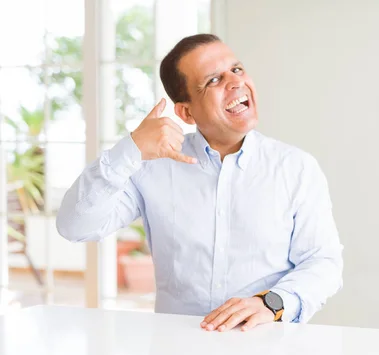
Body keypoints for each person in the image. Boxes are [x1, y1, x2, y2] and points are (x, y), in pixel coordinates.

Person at [56, 33, 343, 332]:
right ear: (186, 112)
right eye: (214, 80)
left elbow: (323, 262)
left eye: (237, 69)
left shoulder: (296, 168)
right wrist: (130, 149)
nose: (235, 82)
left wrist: (271, 302)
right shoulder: (152, 167)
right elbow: (75, 226)